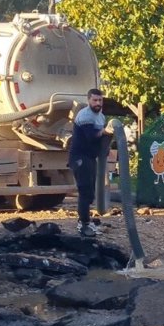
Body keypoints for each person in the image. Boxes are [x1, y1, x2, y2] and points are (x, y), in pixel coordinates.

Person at [69, 88, 108, 236]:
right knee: (85, 191)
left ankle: (87, 221)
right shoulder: (85, 115)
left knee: (90, 191)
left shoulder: (101, 117)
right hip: (80, 157)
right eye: (95, 100)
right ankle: (83, 224)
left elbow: (99, 140)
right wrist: (105, 132)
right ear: (89, 100)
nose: (98, 103)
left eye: (100, 100)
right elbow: (91, 137)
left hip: (90, 157)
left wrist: (105, 148)